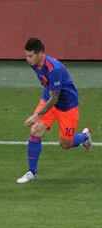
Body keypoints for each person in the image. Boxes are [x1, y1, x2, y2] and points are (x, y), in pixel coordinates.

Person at [17, 38, 92, 184]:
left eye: (30, 56)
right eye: (26, 55)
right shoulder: (34, 64)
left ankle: (84, 136)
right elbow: (49, 93)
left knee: (65, 144)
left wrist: (36, 115)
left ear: (40, 54)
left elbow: (55, 98)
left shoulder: (54, 69)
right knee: (35, 131)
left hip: (66, 106)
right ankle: (32, 172)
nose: (27, 59)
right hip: (48, 99)